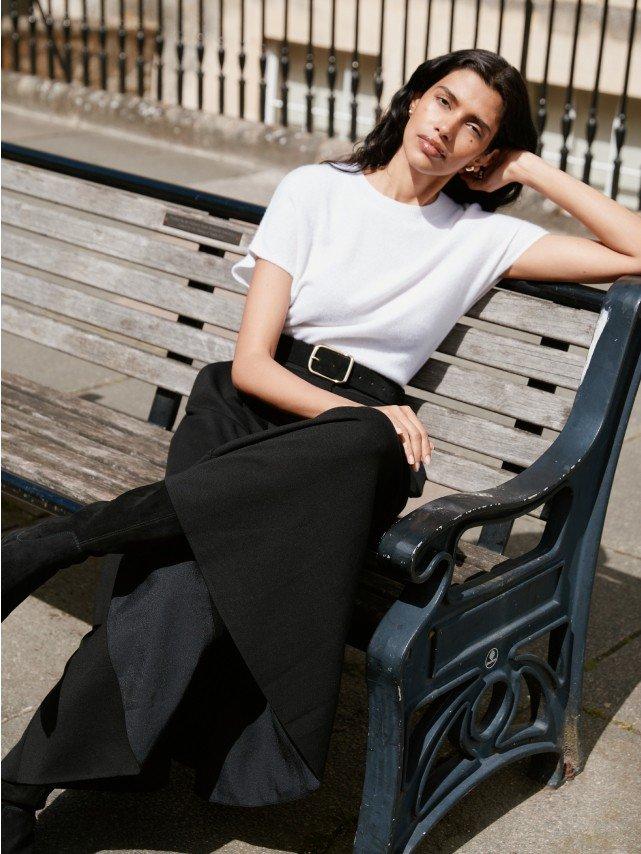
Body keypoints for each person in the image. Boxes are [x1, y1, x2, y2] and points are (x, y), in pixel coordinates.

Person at [2, 47, 640, 853]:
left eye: (475, 125)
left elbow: (637, 245)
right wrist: (355, 411)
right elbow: (251, 364)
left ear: (488, 153)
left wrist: (534, 169)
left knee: (368, 439)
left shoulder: (482, 239)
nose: (448, 127)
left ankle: (67, 539)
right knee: (184, 583)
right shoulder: (314, 190)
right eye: (442, 101)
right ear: (412, 101)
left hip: (353, 449)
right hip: (256, 410)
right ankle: (16, 789)